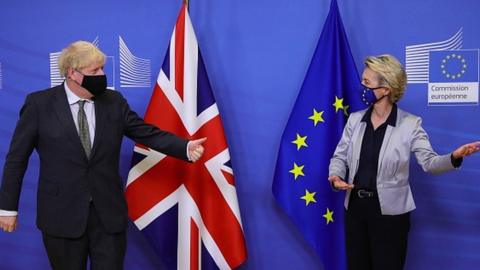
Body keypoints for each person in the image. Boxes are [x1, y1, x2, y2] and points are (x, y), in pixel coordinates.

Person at [0, 41, 206, 269]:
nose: (102, 75)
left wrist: (185, 147)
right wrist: (8, 208)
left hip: (108, 215)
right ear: (72, 73)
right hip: (61, 216)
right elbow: (16, 160)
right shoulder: (39, 104)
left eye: (102, 69)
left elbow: (146, 133)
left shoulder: (113, 102)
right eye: (95, 71)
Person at [328, 54, 480, 270]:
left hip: (391, 215)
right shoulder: (354, 119)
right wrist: (335, 177)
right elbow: (339, 157)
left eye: (367, 82)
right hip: (354, 210)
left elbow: (429, 163)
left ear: (387, 88)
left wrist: (453, 157)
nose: (361, 86)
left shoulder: (410, 124)